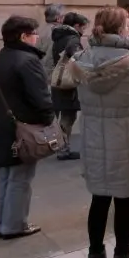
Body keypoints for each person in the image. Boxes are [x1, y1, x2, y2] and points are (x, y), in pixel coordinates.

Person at [68, 6, 129, 258]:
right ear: (121, 29)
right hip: (127, 138)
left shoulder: (81, 59)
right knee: (123, 203)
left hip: (94, 137)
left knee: (99, 200)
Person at [0, 16, 54, 240]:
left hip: (1, 127)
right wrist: (48, 120)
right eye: (34, 33)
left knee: (7, 178)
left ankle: (3, 223)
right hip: (22, 129)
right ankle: (13, 226)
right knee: (20, 179)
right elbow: (41, 97)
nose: (37, 37)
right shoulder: (28, 60)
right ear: (23, 36)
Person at [50, 12, 89, 161]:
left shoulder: (59, 36)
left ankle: (60, 146)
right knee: (68, 116)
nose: (84, 30)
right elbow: (78, 58)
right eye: (84, 27)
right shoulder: (73, 39)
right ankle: (63, 149)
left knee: (63, 115)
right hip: (68, 83)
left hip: (58, 81)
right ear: (77, 26)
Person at [36, 4, 64, 77]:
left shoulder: (39, 30)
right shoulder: (58, 33)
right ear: (58, 18)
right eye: (63, 16)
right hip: (50, 74)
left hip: (38, 70)